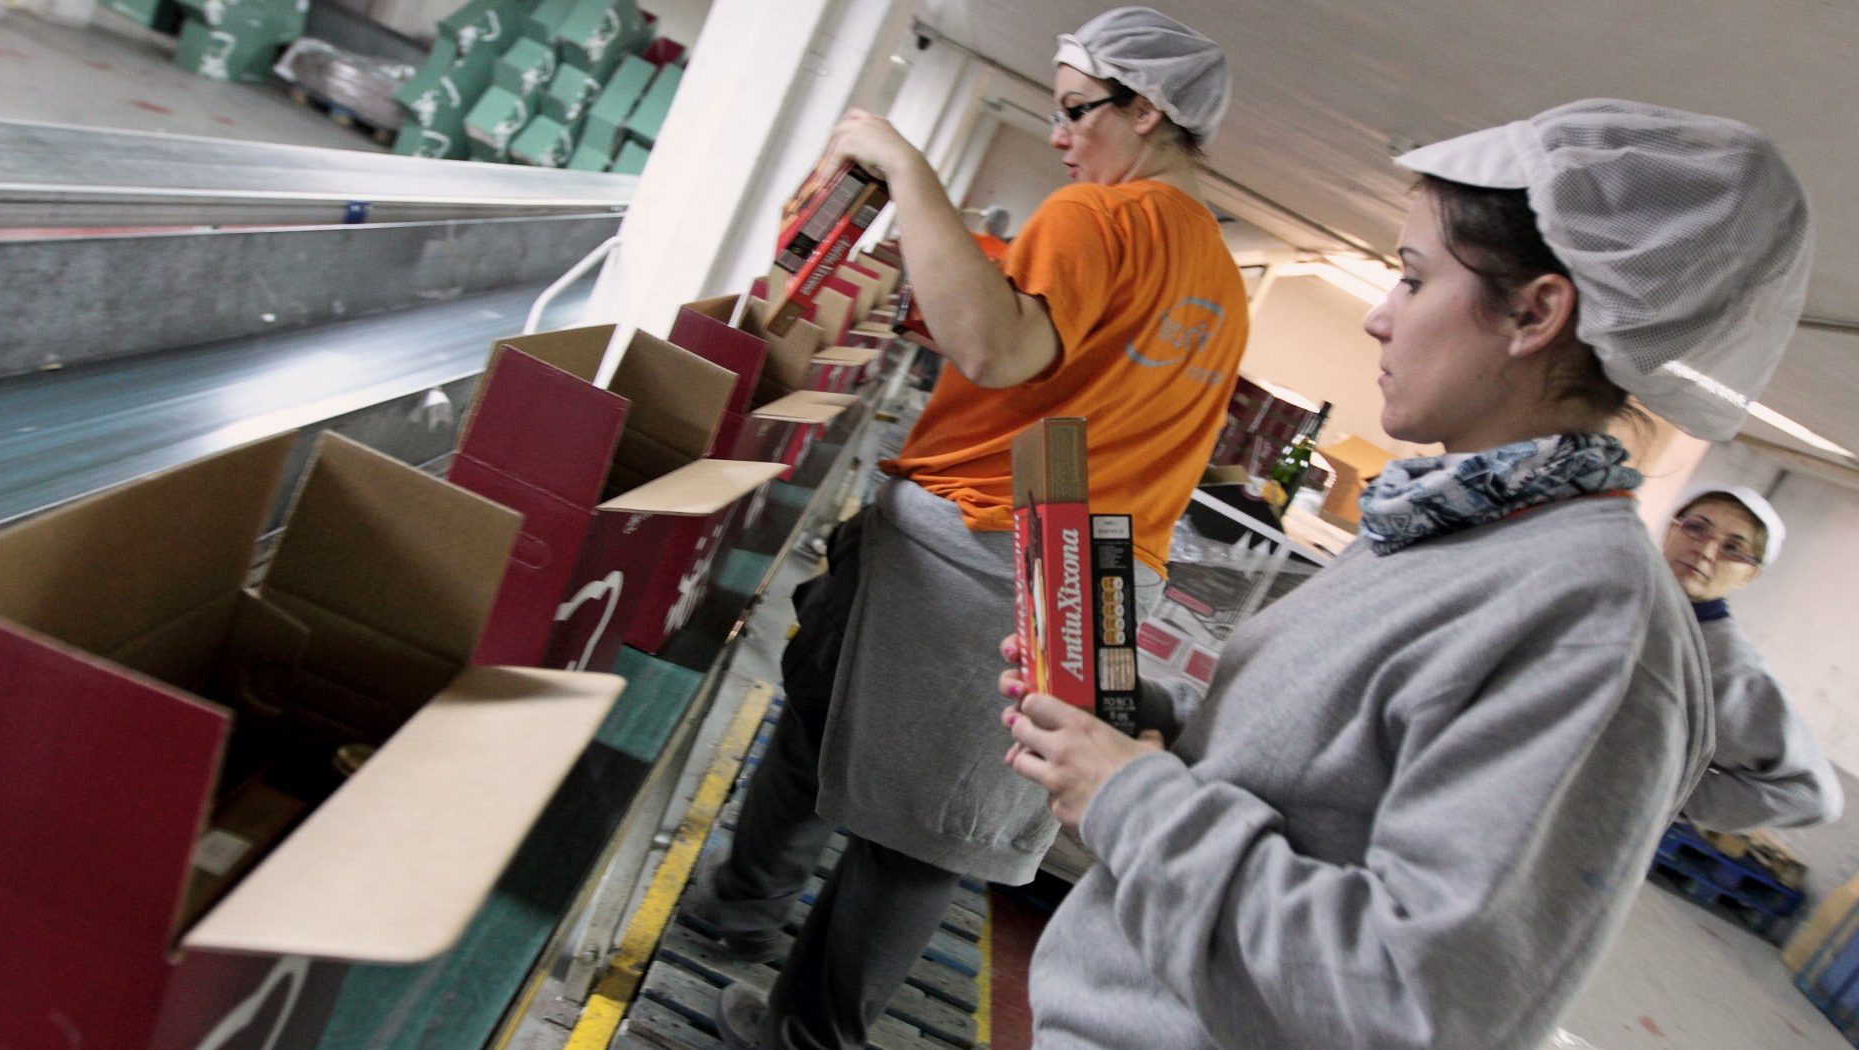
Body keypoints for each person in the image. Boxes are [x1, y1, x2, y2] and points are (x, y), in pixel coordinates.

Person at [998, 98, 1813, 1049]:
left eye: (1413, 279)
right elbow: (1324, 793)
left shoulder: (1592, 623)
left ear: (1537, 312)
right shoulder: (1456, 530)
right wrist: (1136, 727)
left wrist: (1133, 801)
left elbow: (1414, 1005)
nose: (1382, 320)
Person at [687, 9, 1250, 1050]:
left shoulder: (1098, 215)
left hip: (984, 546)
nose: (1059, 132)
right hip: (1097, 568)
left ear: (1146, 109)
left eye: (1078, 108)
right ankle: (746, 925)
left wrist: (904, 169)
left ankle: (799, 1023)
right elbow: (1064, 373)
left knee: (911, 829)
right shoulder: (1216, 276)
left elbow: (995, 351)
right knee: (900, 781)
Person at [1666, 485, 1842, 830]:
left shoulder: (1726, 666)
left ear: (1750, 575)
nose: (1705, 549)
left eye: (1732, 548)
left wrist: (1660, 790)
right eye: (1697, 527)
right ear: (1673, 528)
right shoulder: (1618, 596)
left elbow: (1811, 795)